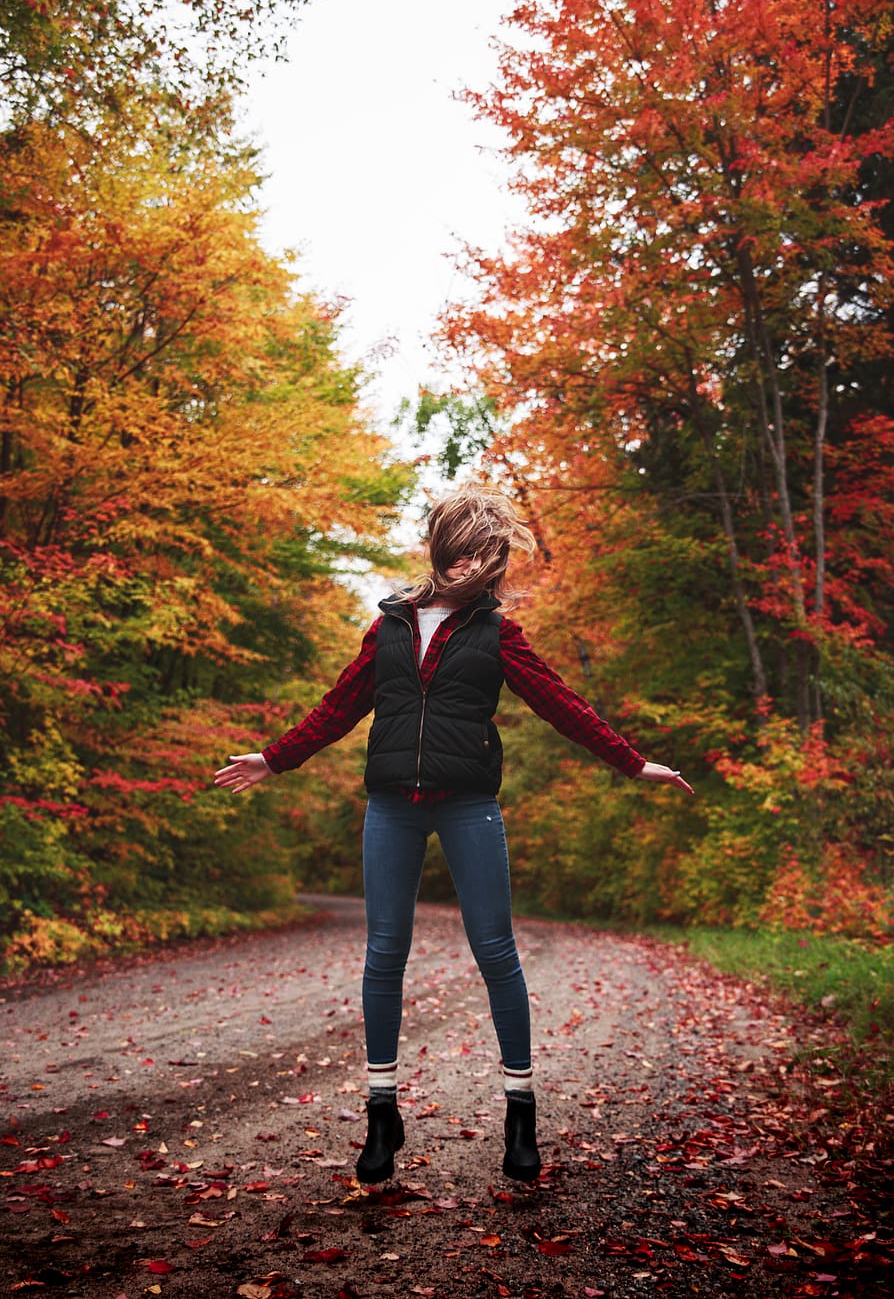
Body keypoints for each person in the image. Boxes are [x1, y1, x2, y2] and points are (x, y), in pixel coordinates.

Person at [214, 487, 692, 1186]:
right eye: (463, 548)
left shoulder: (498, 632)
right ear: (443, 548)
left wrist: (631, 761)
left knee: (496, 950)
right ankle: (382, 1115)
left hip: (469, 804)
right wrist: (276, 756)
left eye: (486, 553)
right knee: (385, 952)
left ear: (494, 561)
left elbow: (561, 702)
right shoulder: (389, 626)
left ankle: (520, 1112)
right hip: (391, 807)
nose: (473, 562)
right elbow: (339, 706)